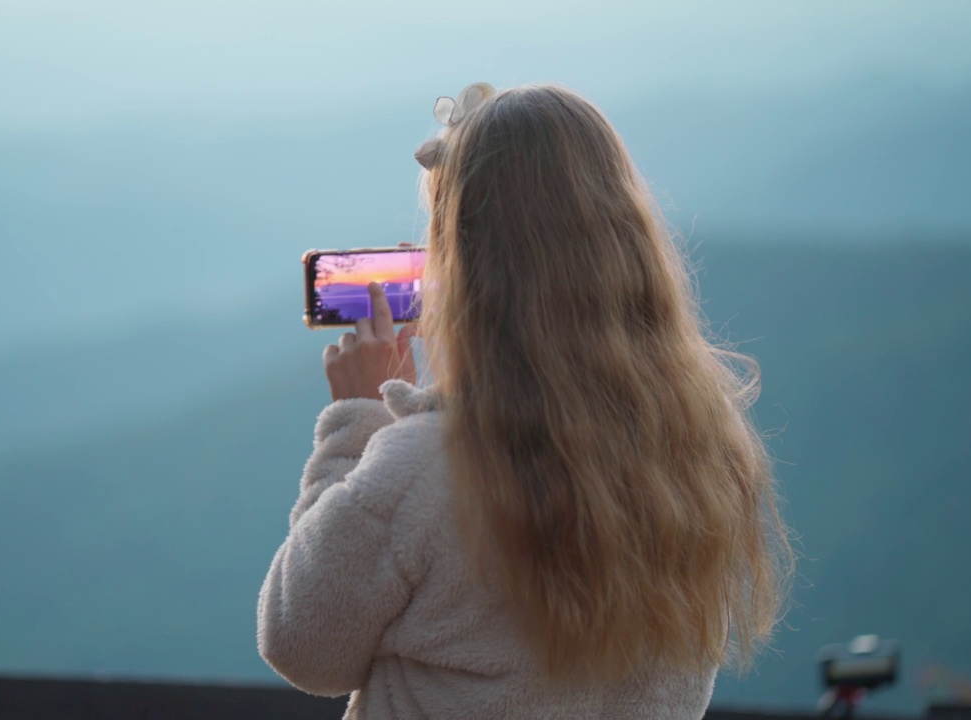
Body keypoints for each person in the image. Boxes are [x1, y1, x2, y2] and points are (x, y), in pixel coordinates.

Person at [257, 82, 792, 720]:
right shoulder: (700, 456)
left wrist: (354, 426)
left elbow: (304, 646)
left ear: (467, 270)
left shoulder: (430, 467)